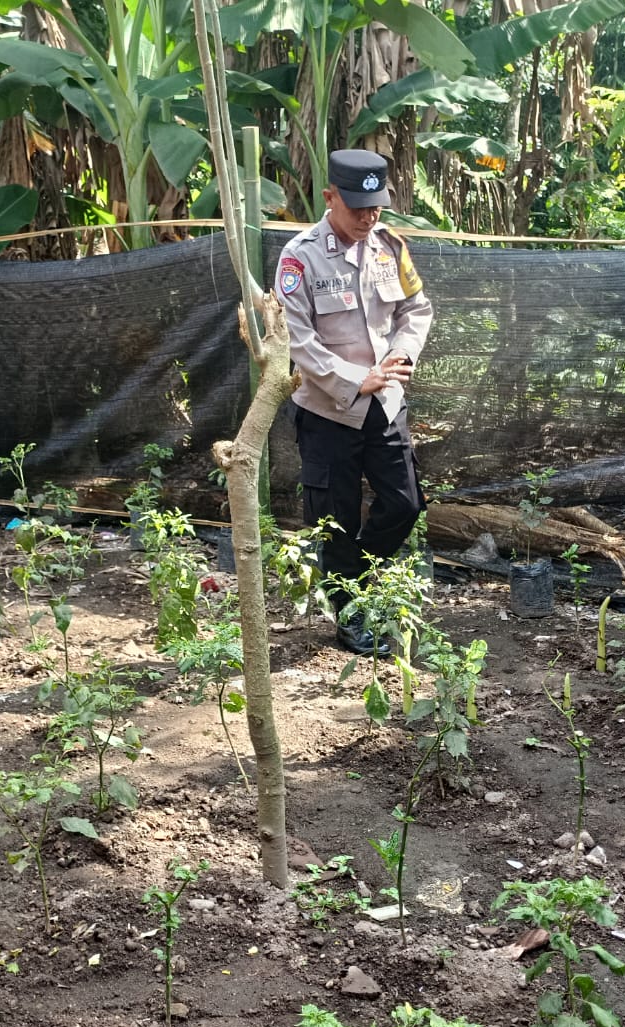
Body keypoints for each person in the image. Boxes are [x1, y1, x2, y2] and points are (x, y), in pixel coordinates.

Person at [279, 149, 433, 655]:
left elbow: (417, 308)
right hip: (328, 411)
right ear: (330, 198)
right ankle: (350, 619)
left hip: (386, 402)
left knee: (405, 504)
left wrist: (402, 354)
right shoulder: (300, 256)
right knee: (336, 518)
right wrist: (353, 378)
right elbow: (294, 338)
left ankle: (355, 583)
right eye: (357, 207)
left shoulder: (390, 246)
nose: (369, 218)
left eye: (377, 207)